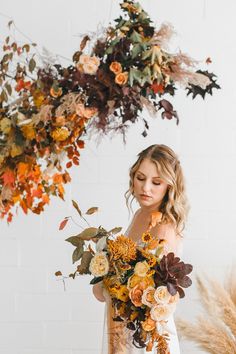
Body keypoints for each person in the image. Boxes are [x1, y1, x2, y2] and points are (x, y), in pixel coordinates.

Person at [93, 144, 189, 353]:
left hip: (147, 337)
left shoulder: (165, 227)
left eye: (156, 182)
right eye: (140, 178)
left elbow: (155, 297)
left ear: (169, 187)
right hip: (122, 327)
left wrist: (109, 283)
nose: (146, 188)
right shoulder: (140, 215)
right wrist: (103, 272)